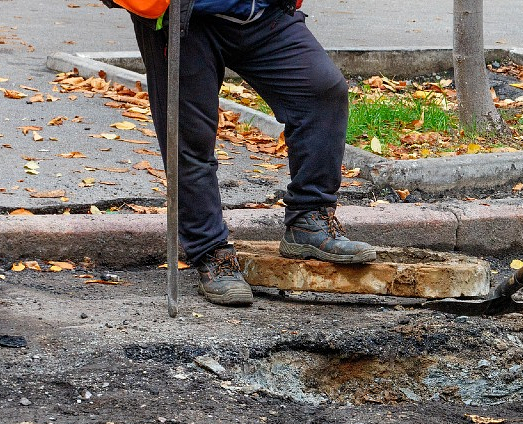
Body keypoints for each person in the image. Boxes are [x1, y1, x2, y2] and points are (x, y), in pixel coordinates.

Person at [106, 0, 376, 307]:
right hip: (187, 18)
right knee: (189, 138)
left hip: (261, 12)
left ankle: (308, 218)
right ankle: (210, 252)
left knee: (321, 91)